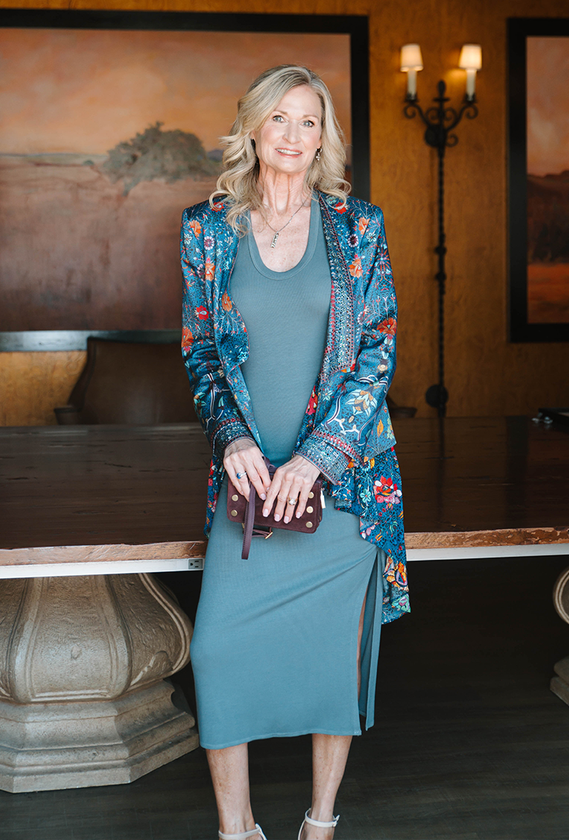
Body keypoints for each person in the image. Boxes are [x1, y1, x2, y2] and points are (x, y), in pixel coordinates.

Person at [181, 65, 409, 840]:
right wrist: (234, 436)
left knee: (328, 664)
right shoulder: (207, 228)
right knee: (215, 652)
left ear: (324, 138)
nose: (291, 135)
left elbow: (377, 350)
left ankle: (320, 823)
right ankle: (236, 830)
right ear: (252, 127)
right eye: (278, 119)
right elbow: (201, 353)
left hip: (339, 486)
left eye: (308, 121)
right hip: (246, 485)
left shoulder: (358, 226)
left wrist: (318, 459)